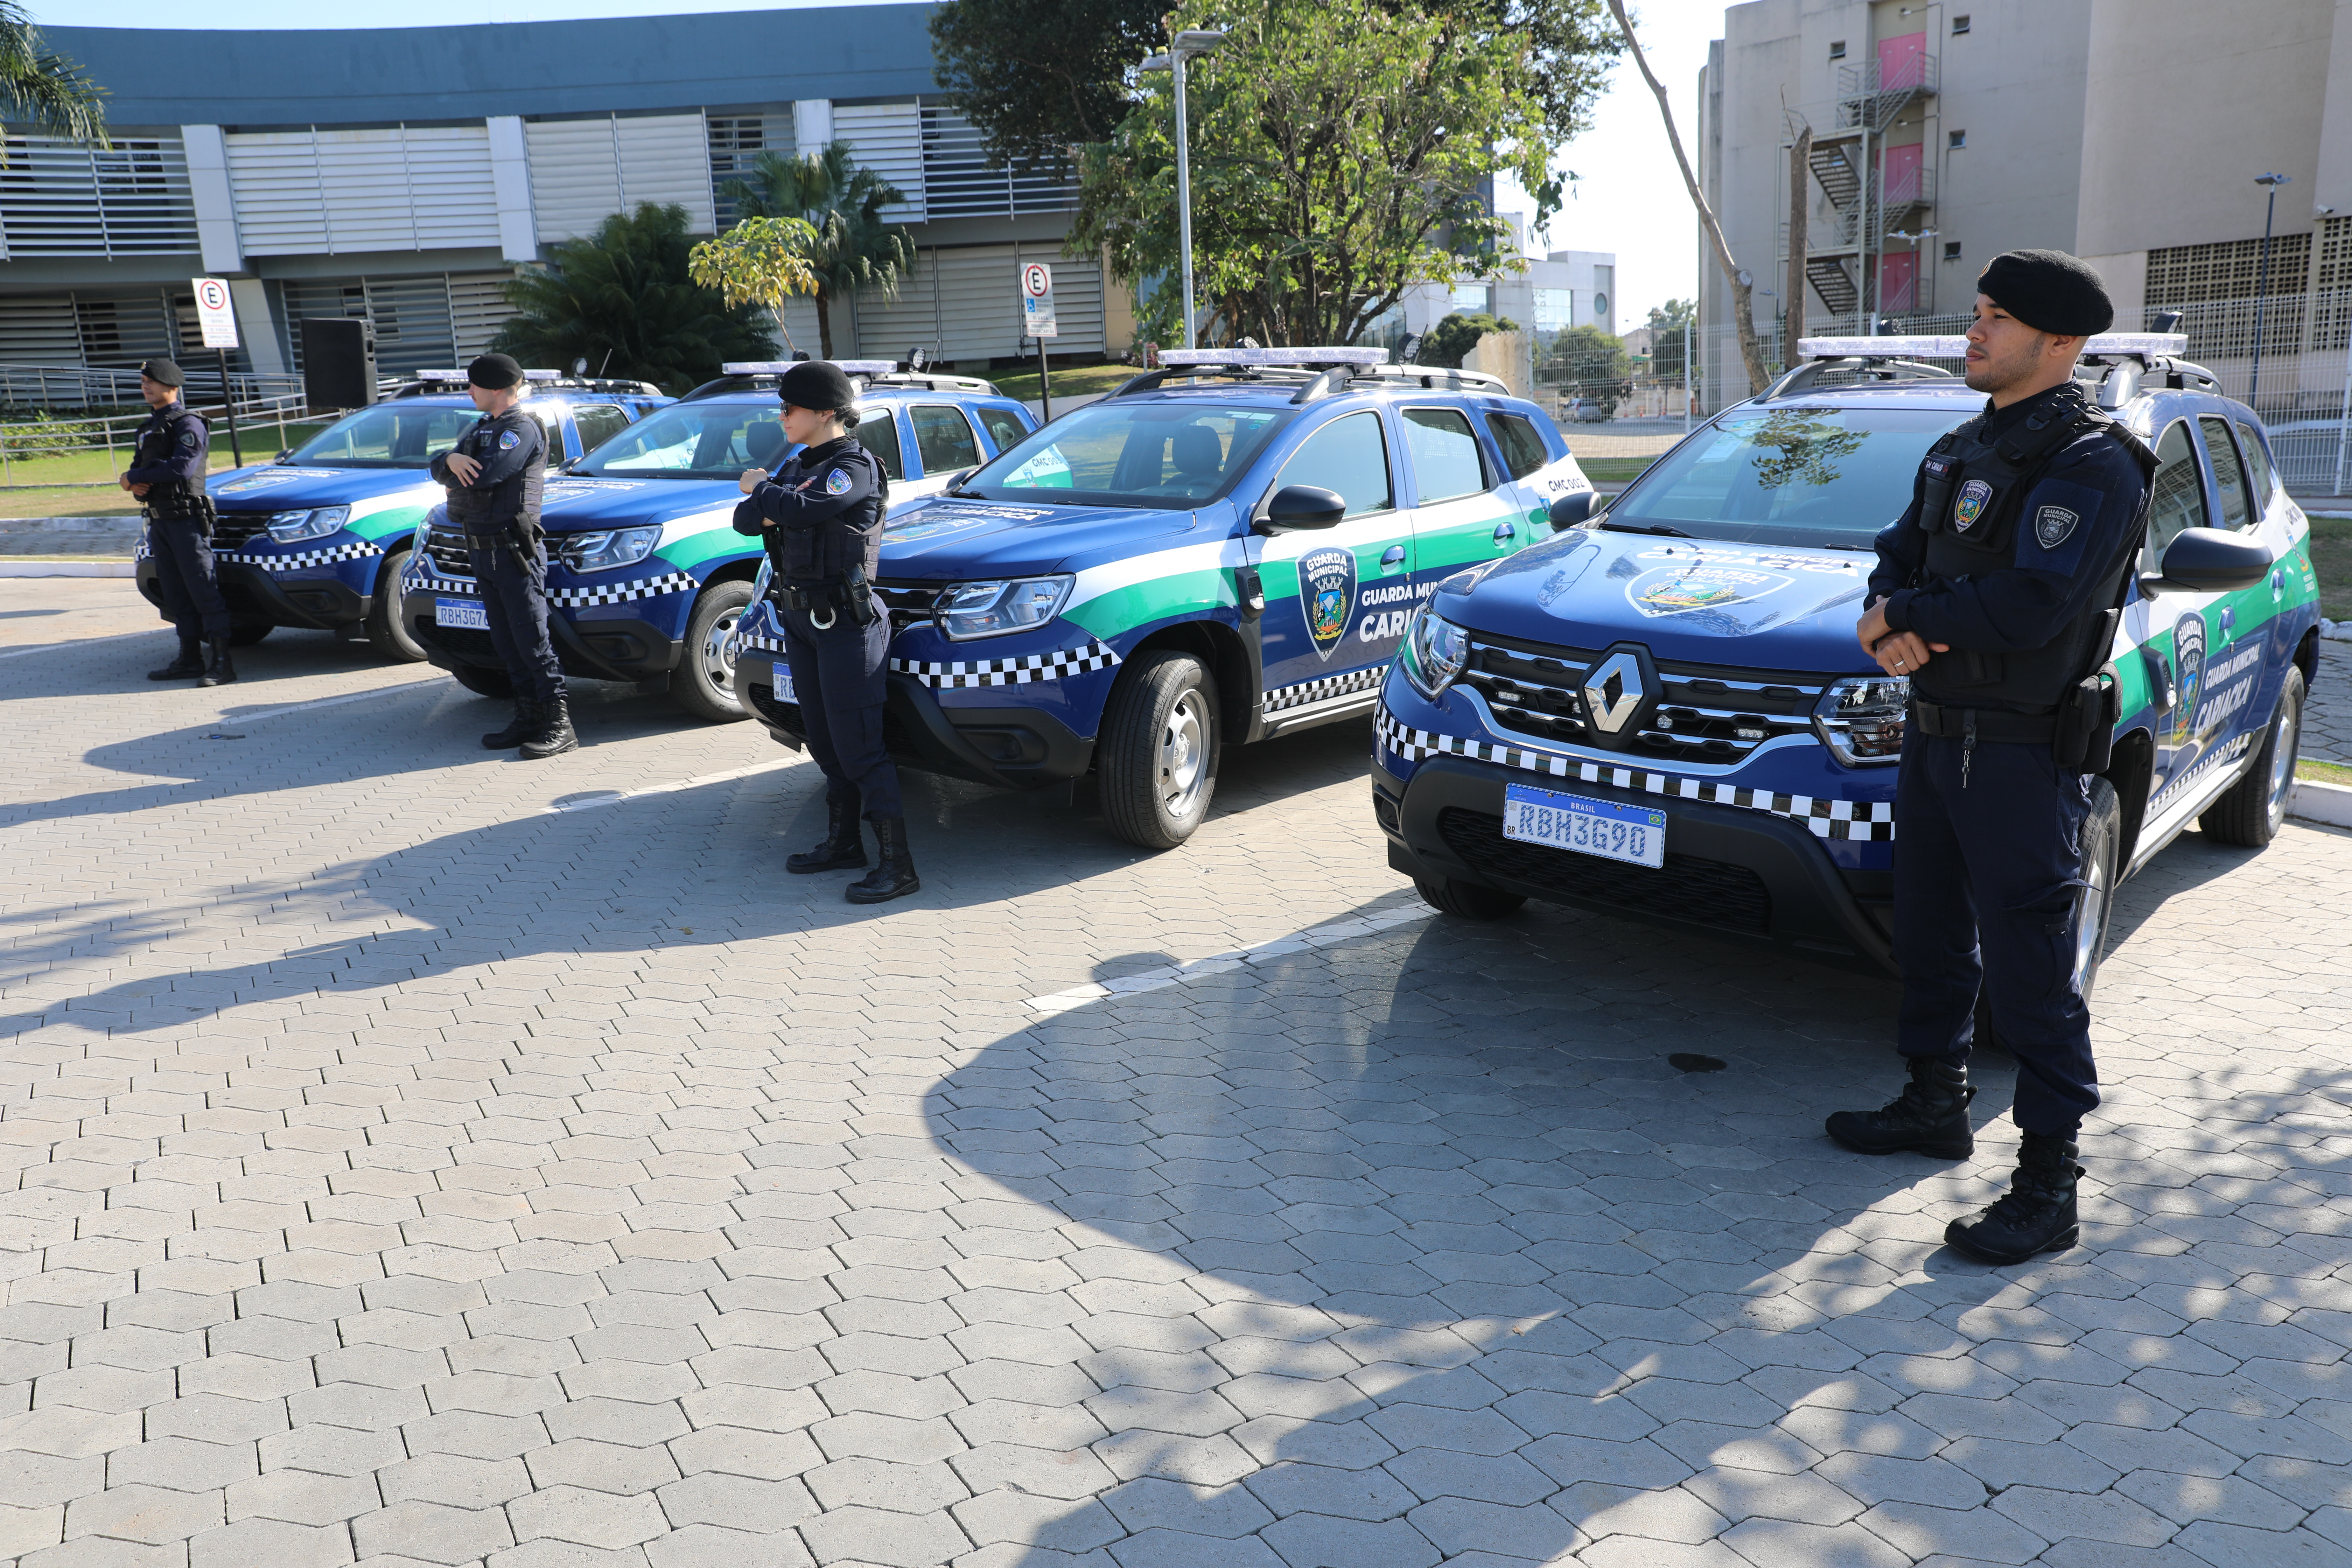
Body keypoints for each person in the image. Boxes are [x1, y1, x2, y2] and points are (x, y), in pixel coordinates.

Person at [1830, 249, 2157, 1266]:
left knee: (2029, 976)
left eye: (1994, 318)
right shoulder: (1959, 447)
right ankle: (1934, 1099)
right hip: (1932, 741)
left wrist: (1903, 617)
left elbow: (2029, 605)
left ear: (2056, 343)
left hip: (2019, 758)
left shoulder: (2091, 463)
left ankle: (2046, 1183)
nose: (1971, 332)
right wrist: (1892, 616)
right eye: (1973, 313)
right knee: (1927, 936)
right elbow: (1897, 551)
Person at [733, 360, 918, 904]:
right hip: (802, 619)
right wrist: (772, 499)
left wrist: (766, 492)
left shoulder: (852, 467)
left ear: (824, 412)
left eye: (789, 408)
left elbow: (797, 508)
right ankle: (844, 844)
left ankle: (898, 864)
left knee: (861, 747)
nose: (782, 416)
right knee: (824, 740)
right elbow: (747, 521)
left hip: (845, 625)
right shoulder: (798, 464)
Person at [430, 354, 574, 759]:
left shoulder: (521, 430)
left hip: (514, 553)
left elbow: (486, 475)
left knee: (533, 641)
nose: (469, 391)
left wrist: (456, 465)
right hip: (484, 553)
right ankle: (528, 717)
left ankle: (559, 724)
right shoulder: (483, 428)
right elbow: (441, 468)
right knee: (507, 644)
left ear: (496, 388)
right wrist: (449, 460)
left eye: (474, 384)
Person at [125, 358, 233, 686]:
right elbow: (137, 475)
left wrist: (133, 477)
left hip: (186, 522)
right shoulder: (147, 429)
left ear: (171, 386)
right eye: (143, 381)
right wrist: (135, 485)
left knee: (204, 592)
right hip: (159, 523)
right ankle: (189, 660)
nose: (146, 386)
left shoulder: (189, 424)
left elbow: (182, 469)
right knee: (176, 595)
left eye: (152, 381)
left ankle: (223, 664)